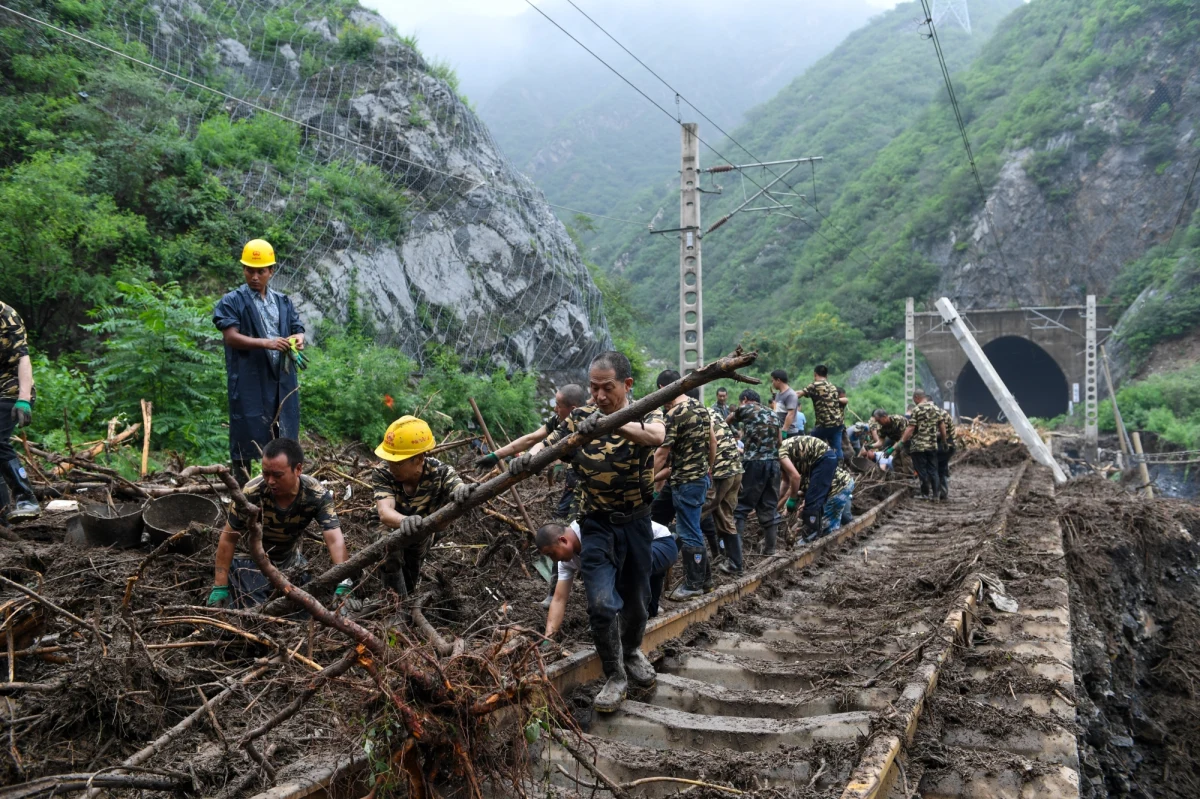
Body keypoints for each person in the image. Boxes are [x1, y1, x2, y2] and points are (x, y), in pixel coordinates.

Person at [513, 351, 665, 713]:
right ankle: (614, 675)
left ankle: (630, 651)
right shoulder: (580, 418)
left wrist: (612, 423)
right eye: (593, 388)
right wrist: (527, 457)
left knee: (637, 602)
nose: (598, 397)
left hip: (637, 523)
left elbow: (656, 437)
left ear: (626, 385)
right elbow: (546, 444)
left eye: (606, 388)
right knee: (599, 603)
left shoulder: (646, 410)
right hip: (595, 525)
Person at [208, 439, 354, 610]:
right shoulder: (252, 492)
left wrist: (344, 582)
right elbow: (228, 538)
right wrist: (220, 586)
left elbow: (334, 539)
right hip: (250, 560)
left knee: (307, 608)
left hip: (289, 560)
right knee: (258, 609)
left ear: (298, 469)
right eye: (265, 473)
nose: (270, 481)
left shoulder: (316, 495)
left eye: (277, 475)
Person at [212, 239, 306, 486]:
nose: (254, 276)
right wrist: (268, 342)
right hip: (249, 380)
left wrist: (298, 338)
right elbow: (231, 337)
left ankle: (284, 484)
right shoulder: (232, 301)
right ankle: (243, 489)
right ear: (243, 269)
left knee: (283, 431)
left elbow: (297, 327)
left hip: (282, 380)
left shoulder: (283, 301)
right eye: (249, 270)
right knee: (246, 434)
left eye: (260, 271)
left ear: (271, 271)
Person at [371, 416, 473, 596]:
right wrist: (405, 520)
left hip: (423, 530)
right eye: (390, 460)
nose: (392, 466)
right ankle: (392, 606)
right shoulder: (382, 472)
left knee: (412, 564)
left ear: (418, 459)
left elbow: (457, 485)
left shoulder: (441, 473)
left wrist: (461, 491)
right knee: (389, 549)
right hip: (389, 525)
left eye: (398, 462)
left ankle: (407, 598)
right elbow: (385, 512)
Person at [538, 519, 678, 641]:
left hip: (659, 544)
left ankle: (619, 616)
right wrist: (547, 639)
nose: (554, 559)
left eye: (552, 554)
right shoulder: (565, 562)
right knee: (649, 612)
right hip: (637, 565)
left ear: (563, 540)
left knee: (618, 571)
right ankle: (641, 606)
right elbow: (558, 599)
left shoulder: (591, 528)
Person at [474, 383, 588, 521]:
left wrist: (530, 456)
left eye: (558, 405)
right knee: (562, 518)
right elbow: (532, 439)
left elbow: (543, 444)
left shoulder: (590, 423)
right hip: (574, 474)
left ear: (573, 410)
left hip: (592, 479)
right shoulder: (559, 421)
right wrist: (496, 455)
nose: (554, 408)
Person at [653, 370, 715, 600]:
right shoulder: (701, 408)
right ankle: (705, 580)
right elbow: (713, 443)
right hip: (689, 478)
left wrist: (646, 480)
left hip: (686, 482)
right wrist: (707, 469)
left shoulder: (675, 413)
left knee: (689, 531)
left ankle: (694, 584)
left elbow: (661, 453)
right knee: (655, 516)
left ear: (664, 389)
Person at [727, 389, 782, 556]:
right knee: (769, 507)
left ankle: (736, 556)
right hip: (773, 463)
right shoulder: (773, 414)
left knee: (741, 507)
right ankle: (770, 550)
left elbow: (726, 421)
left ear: (744, 399)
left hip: (754, 463)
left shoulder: (745, 408)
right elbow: (780, 441)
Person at [0, 302, 40, 521]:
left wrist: (23, 399)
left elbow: (23, 357)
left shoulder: (8, 317)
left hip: (12, 388)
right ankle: (3, 516)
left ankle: (26, 498)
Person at [777, 435, 854, 541]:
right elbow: (787, 483)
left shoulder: (777, 453)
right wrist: (778, 507)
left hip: (838, 485)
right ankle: (844, 528)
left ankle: (810, 538)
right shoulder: (806, 472)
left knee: (821, 518)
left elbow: (795, 482)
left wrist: (792, 500)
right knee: (840, 516)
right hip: (844, 481)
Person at [709, 413, 745, 575]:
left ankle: (733, 563)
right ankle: (731, 560)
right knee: (725, 516)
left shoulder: (687, 414)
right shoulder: (713, 413)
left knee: (698, 512)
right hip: (735, 469)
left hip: (721, 471)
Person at [900, 390, 947, 500]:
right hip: (932, 445)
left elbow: (911, 428)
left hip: (918, 446)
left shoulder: (916, 409)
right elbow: (942, 427)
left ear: (917, 397)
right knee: (933, 469)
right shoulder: (936, 408)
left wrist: (902, 441)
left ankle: (925, 495)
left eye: (913, 399)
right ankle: (936, 496)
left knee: (922, 470)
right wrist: (944, 441)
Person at [797, 365, 848, 461]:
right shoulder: (832, 386)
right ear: (827, 375)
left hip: (824, 424)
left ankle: (808, 464)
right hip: (838, 423)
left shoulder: (814, 385)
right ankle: (839, 468)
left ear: (815, 374)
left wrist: (784, 395)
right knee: (837, 448)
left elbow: (799, 394)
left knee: (809, 443)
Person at [769, 370, 804, 437]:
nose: (772, 383)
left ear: (778, 380)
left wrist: (784, 431)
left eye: (773, 380)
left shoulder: (790, 394)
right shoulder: (779, 394)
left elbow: (791, 414)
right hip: (779, 431)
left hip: (789, 433)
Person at [937, 406, 957, 497]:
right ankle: (942, 490)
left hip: (944, 446)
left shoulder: (938, 414)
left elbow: (941, 432)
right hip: (950, 445)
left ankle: (940, 492)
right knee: (942, 466)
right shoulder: (944, 413)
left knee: (937, 468)